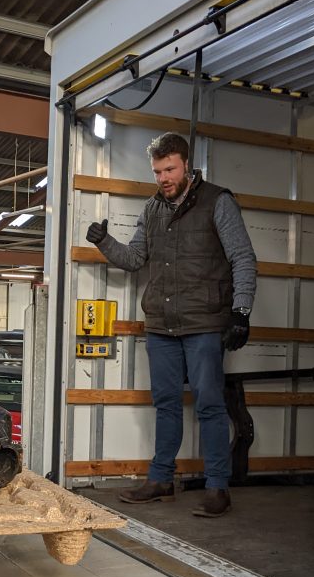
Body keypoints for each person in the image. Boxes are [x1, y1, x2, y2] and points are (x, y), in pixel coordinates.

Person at [86, 132, 256, 518]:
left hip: (204, 323)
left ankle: (217, 487)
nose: (163, 177)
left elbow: (243, 258)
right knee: (166, 404)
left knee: (210, 405)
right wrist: (104, 242)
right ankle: (161, 479)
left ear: (187, 165)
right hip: (162, 325)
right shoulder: (152, 209)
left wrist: (241, 312)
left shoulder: (218, 202)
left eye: (170, 169)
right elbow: (134, 259)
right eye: (158, 171)